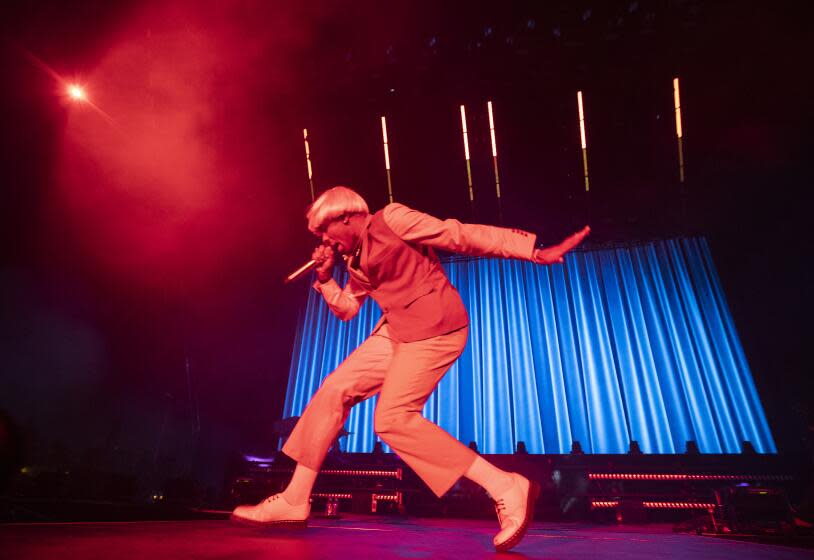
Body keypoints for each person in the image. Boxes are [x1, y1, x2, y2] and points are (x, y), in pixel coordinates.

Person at [232, 186, 590, 551]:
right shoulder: (355, 260)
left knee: (392, 419)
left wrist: (532, 251)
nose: (324, 240)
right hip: (397, 331)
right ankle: (296, 497)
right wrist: (325, 280)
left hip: (436, 327)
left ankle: (506, 486)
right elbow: (348, 309)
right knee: (334, 388)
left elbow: (460, 234)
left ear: (347, 217)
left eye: (325, 231)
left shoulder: (393, 219)